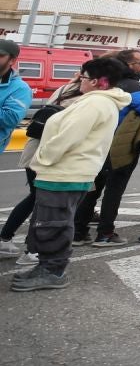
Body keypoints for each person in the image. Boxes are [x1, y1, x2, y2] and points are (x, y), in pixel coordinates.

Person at [9, 56, 130, 293]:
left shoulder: (94, 103)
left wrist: (42, 161)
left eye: (83, 77)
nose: (79, 81)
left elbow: (67, 137)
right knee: (53, 221)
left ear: (97, 81)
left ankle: (53, 270)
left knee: (53, 222)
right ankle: (48, 266)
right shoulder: (99, 101)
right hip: (69, 172)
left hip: (65, 173)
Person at [0, 70, 89, 259]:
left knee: (35, 197)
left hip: (35, 147)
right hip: (50, 153)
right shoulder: (86, 100)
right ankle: (31, 250)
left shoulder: (64, 88)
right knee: (44, 201)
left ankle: (6, 238)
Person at [72, 80, 140, 245]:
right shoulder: (133, 89)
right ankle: (105, 234)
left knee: (91, 189)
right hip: (120, 149)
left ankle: (78, 232)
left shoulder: (94, 91)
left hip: (95, 147)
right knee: (113, 192)